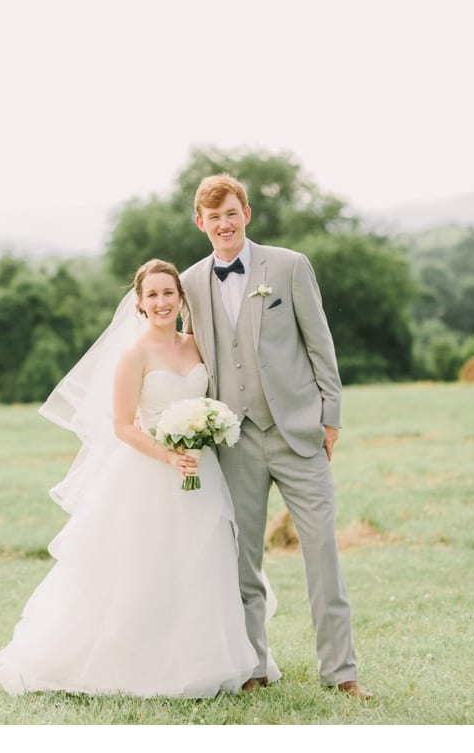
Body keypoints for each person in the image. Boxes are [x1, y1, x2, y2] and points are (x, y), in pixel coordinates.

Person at [0, 260, 264, 699]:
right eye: (152, 295)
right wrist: (168, 456)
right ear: (139, 303)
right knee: (147, 564)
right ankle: (138, 663)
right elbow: (122, 425)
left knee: (201, 559)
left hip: (201, 471)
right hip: (150, 473)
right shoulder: (134, 354)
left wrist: (207, 432)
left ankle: (206, 660)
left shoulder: (197, 346)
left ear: (181, 298)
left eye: (168, 293)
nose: (161, 302)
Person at [182, 174, 371, 699]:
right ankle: (253, 666)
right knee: (242, 559)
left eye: (231, 213)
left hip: (298, 435)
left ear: (246, 214)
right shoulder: (192, 283)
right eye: (213, 216)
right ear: (201, 223)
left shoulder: (288, 266)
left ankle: (341, 672)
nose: (224, 223)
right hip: (234, 442)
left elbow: (320, 344)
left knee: (322, 554)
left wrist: (330, 417)